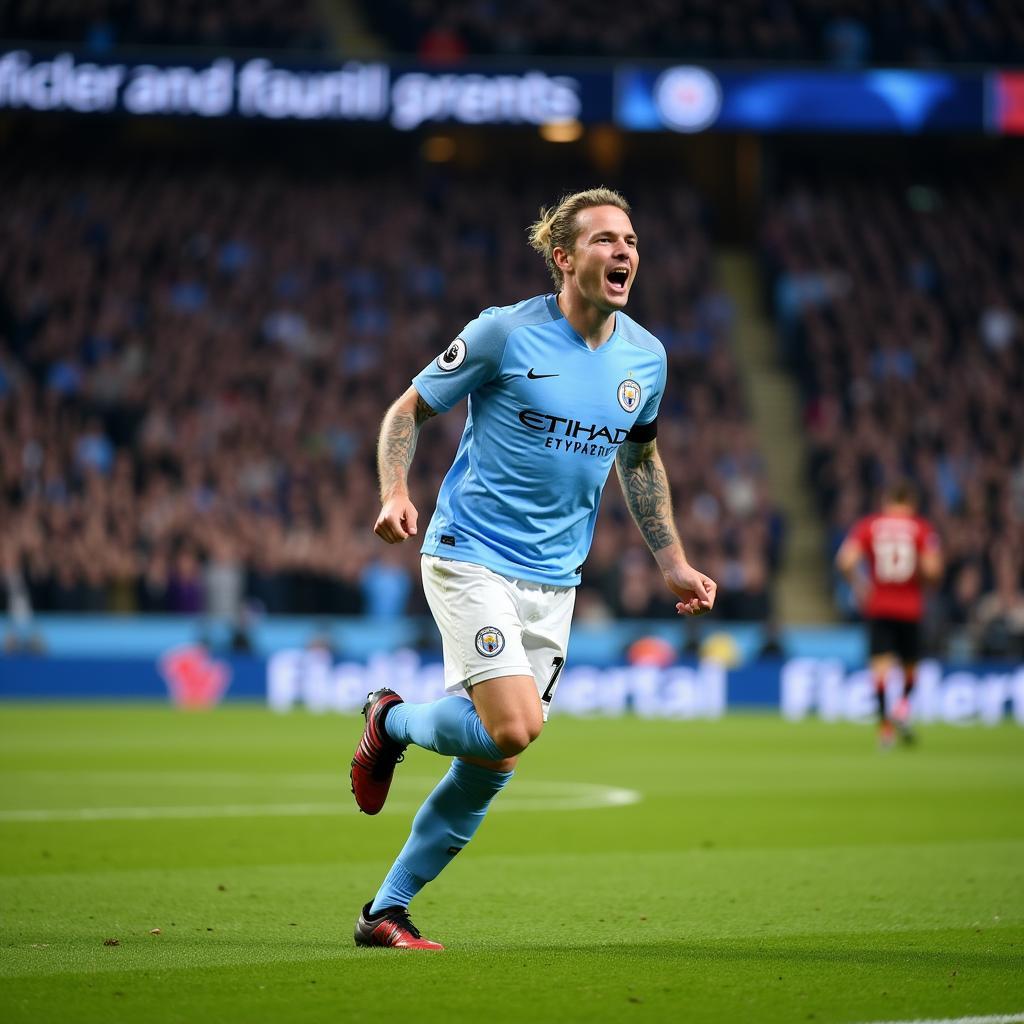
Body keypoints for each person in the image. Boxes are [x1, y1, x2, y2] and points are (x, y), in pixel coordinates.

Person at [349, 187, 718, 950]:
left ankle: (385, 910)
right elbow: (405, 411)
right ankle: (391, 722)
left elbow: (640, 461)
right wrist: (393, 489)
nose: (624, 253)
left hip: (556, 582)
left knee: (498, 756)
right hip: (470, 555)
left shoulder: (644, 358)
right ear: (564, 257)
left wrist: (673, 560)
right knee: (516, 724)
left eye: (632, 241)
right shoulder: (503, 334)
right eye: (606, 240)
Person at [835, 481, 942, 748]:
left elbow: (845, 561)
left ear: (887, 501)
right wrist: (921, 582)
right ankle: (903, 706)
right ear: (911, 502)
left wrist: (860, 586)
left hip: (879, 605)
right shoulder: (921, 528)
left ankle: (884, 729)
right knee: (910, 665)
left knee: (880, 668)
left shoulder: (870, 525)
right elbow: (933, 570)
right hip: (910, 607)